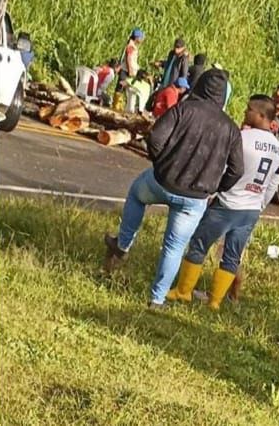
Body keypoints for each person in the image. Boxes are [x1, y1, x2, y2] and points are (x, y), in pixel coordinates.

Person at [102, 69, 243, 308]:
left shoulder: (183, 109)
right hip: (196, 197)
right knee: (174, 246)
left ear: (199, 86)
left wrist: (162, 165)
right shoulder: (230, 129)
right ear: (223, 97)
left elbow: (155, 138)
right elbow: (237, 169)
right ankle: (156, 299)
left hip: (162, 181)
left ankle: (123, 244)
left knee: (137, 193)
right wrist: (215, 188)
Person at [166, 95, 279, 310]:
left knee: (199, 245)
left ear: (261, 115)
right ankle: (216, 301)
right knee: (232, 256)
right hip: (251, 209)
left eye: (249, 109)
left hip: (228, 202)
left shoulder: (243, 137)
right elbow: (273, 183)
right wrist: (260, 204)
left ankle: (183, 291)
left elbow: (224, 165)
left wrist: (213, 191)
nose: (245, 112)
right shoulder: (277, 148)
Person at [112, 28, 144, 110]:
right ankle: (116, 107)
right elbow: (128, 58)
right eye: (141, 37)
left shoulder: (131, 45)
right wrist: (130, 70)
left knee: (122, 90)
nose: (142, 39)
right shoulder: (131, 46)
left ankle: (119, 107)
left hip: (126, 70)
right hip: (126, 71)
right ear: (136, 37)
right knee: (120, 89)